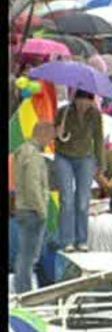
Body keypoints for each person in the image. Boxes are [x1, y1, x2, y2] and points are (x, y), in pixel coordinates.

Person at [54, 90, 104, 253]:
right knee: (67, 199)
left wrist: (100, 163)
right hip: (64, 157)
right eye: (79, 101)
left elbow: (98, 139)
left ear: (91, 101)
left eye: (86, 102)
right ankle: (66, 240)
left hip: (85, 158)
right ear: (74, 100)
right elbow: (54, 136)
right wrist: (57, 131)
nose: (82, 105)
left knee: (83, 201)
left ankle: (82, 239)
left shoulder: (95, 115)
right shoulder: (64, 111)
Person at [13, 121, 54, 293]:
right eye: (50, 137)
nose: (50, 141)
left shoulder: (22, 151)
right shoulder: (33, 154)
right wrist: (42, 210)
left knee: (25, 255)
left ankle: (22, 289)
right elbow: (33, 184)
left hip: (23, 208)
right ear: (43, 133)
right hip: (32, 211)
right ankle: (24, 292)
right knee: (29, 257)